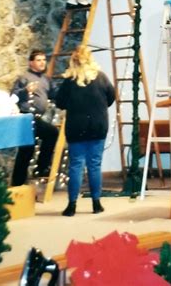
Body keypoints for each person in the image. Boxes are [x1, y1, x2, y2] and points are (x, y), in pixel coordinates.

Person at [56, 45, 115, 216]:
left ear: (73, 62)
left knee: (76, 166)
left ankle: (72, 205)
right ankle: (96, 203)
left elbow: (60, 102)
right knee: (94, 165)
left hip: (76, 128)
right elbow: (111, 97)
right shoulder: (102, 78)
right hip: (98, 126)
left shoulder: (69, 81)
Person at [11, 50, 59, 186]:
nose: (42, 62)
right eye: (39, 60)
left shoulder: (46, 79)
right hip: (26, 117)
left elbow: (54, 93)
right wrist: (26, 91)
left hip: (38, 118)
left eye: (44, 59)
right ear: (31, 62)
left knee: (51, 134)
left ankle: (42, 167)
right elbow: (13, 96)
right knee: (27, 149)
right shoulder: (24, 78)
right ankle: (18, 182)